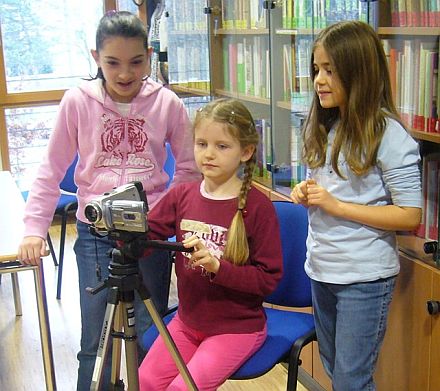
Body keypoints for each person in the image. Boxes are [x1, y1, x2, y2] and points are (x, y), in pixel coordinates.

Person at [17, 11, 200, 391]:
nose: (124, 74)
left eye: (136, 62)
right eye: (112, 62)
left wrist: (168, 216)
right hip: (96, 233)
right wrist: (35, 228)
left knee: (148, 333)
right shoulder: (77, 101)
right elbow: (51, 169)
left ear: (149, 56)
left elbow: (189, 170)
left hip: (149, 233)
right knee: (96, 339)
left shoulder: (167, 103)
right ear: (95, 57)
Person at [290, 20, 422, 391]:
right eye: (316, 69)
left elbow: (410, 214)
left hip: (363, 277)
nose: (319, 79)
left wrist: (336, 205)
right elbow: (332, 187)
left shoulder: (389, 134)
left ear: (358, 72)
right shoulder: (327, 126)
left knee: (351, 381)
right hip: (322, 268)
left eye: (330, 70)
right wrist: (306, 190)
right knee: (338, 374)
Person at [137, 98, 283, 391]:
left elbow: (268, 279)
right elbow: (147, 238)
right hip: (187, 323)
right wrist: (123, 230)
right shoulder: (183, 195)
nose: (209, 154)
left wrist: (219, 267)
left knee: (182, 388)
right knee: (147, 379)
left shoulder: (257, 207)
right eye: (201, 144)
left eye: (222, 146)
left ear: (246, 152)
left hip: (237, 328)